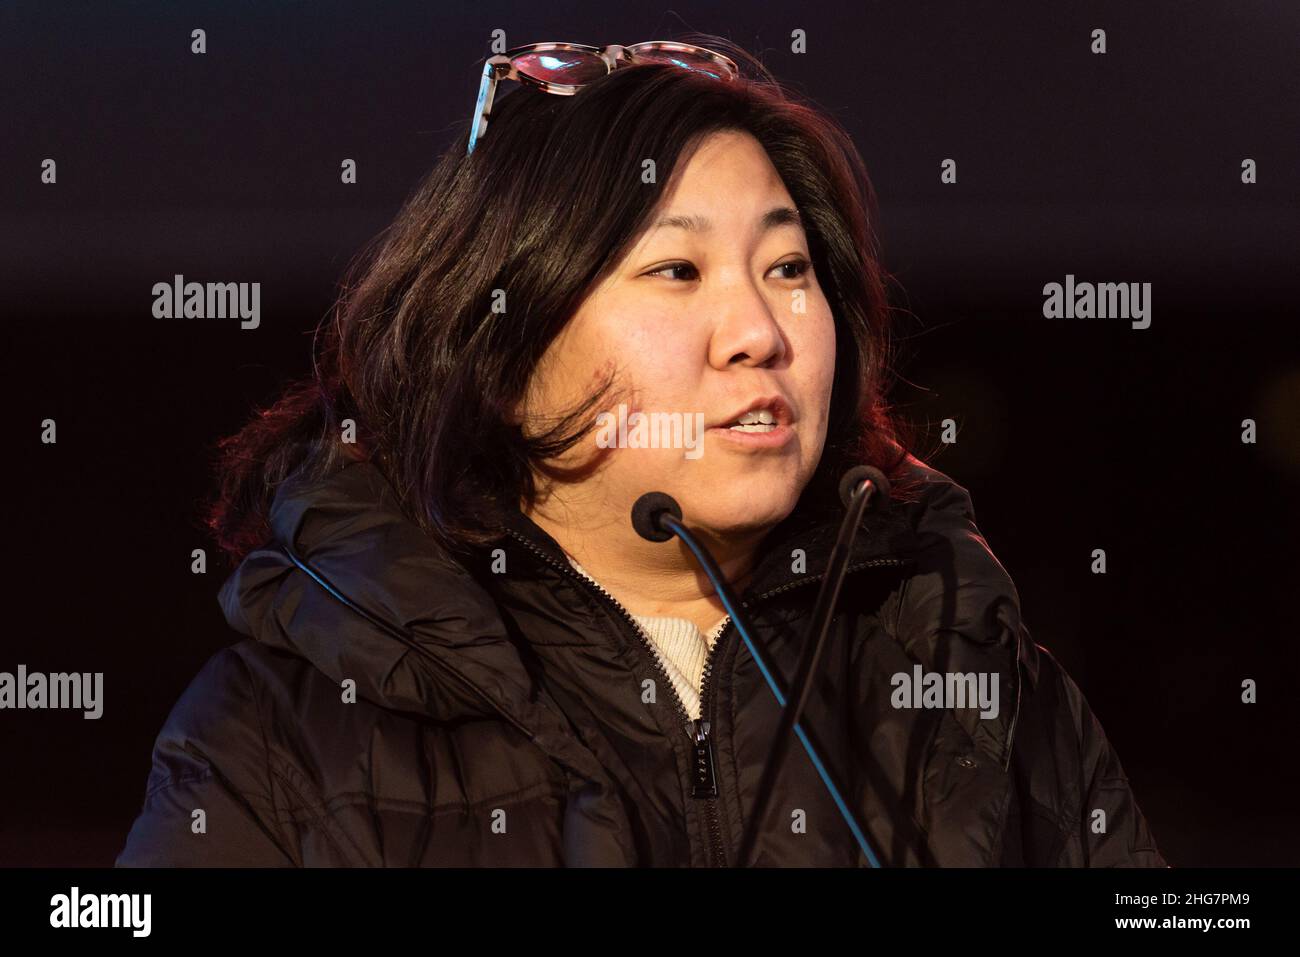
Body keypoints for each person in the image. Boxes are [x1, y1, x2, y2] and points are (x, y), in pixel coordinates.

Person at [116, 34, 1165, 867]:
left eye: (789, 266)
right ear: (502, 343)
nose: (759, 330)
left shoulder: (969, 680)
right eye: (676, 271)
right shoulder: (280, 732)